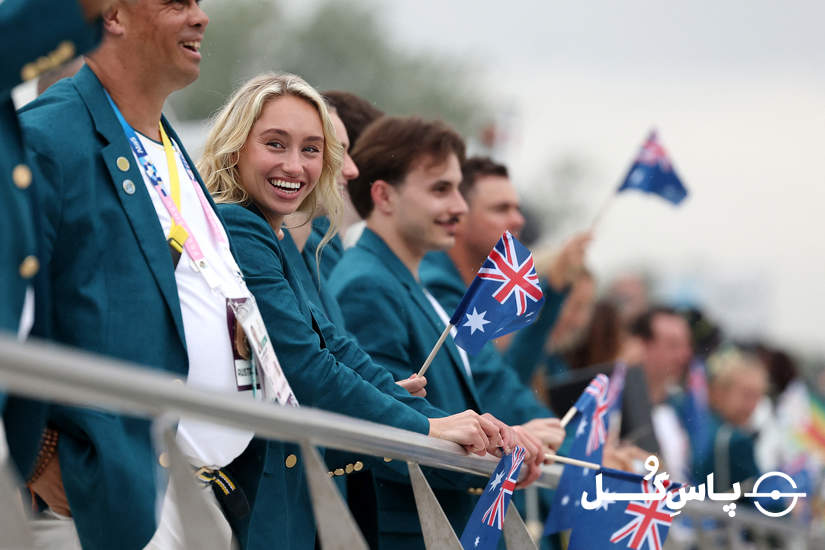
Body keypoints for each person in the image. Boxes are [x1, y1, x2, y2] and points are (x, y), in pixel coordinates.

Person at [198, 72, 521, 550]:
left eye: (311, 149)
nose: (295, 164)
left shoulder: (275, 233)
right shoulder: (239, 226)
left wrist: (423, 411)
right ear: (234, 147)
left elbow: (340, 349)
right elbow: (307, 366)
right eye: (275, 143)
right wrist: (428, 426)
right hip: (249, 493)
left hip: (290, 500)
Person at [18, 2, 278, 549]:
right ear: (113, 15)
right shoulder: (47, 139)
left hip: (203, 495)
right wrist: (37, 454)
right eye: (176, 2)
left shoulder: (166, 142)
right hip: (113, 502)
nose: (201, 17)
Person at [329, 116, 550, 549]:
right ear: (384, 195)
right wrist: (496, 450)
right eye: (439, 189)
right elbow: (386, 431)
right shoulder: (367, 285)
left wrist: (499, 440)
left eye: (457, 188)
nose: (460, 207)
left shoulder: (408, 283)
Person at [629, 306, 694, 481]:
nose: (685, 355)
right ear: (641, 346)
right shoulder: (615, 406)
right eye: (673, 345)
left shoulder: (681, 406)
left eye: (686, 345)